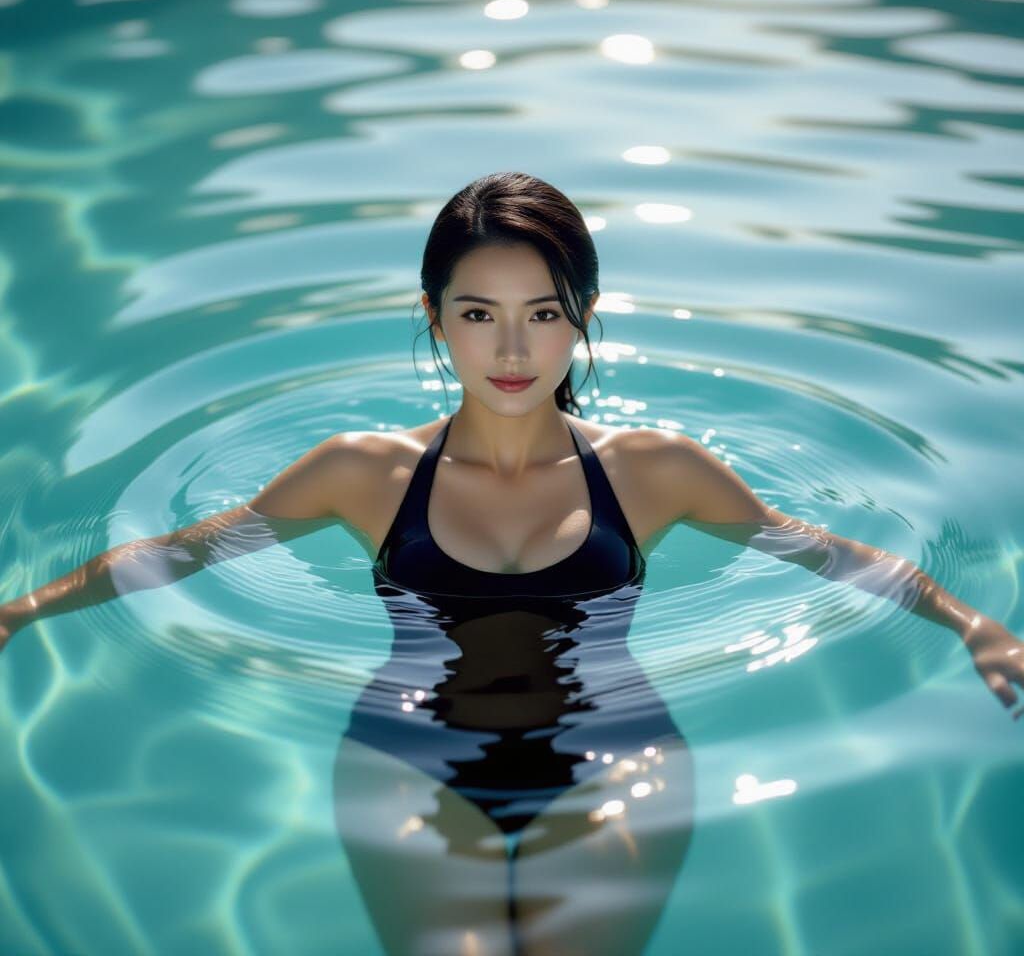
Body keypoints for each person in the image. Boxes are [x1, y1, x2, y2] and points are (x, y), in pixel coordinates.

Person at [1, 171, 1021, 956]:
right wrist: (20, 612)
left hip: (616, 753)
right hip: (411, 757)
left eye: (542, 311)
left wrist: (974, 625)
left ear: (582, 312)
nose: (512, 349)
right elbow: (185, 549)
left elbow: (825, 550)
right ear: (434, 315)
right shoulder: (360, 473)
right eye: (479, 312)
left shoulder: (657, 470)